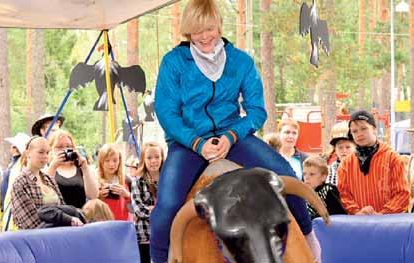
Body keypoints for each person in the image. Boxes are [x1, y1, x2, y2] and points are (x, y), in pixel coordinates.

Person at [152, 1, 322, 262]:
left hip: (234, 137)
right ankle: (159, 259)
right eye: (197, 31)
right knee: (166, 208)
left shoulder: (240, 61)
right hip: (187, 143)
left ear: (219, 25)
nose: (205, 36)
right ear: (188, 32)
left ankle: (310, 242)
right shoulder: (173, 62)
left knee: (289, 178)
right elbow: (166, 113)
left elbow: (257, 111)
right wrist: (197, 144)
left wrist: (231, 136)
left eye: (209, 28)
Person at [338, 110, 409, 215]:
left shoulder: (392, 158)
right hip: (358, 223)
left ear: (374, 129)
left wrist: (382, 214)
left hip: (389, 224)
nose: (359, 134)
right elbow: (343, 194)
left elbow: (402, 193)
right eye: (354, 131)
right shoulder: (346, 164)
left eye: (364, 129)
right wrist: (357, 212)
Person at [11, 136, 82, 229]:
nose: (45, 156)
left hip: (61, 235)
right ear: (28, 153)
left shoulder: (50, 179)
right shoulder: (20, 182)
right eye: (41, 152)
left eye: (47, 152)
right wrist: (65, 220)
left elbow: (64, 209)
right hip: (38, 239)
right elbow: (30, 224)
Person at [47, 130, 99, 208]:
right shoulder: (48, 169)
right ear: (51, 149)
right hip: (58, 217)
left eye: (68, 146)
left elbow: (93, 196)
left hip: (80, 216)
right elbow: (45, 196)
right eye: (60, 147)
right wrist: (53, 166)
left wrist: (85, 168)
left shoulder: (81, 168)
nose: (65, 150)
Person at [131, 142, 164, 263]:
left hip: (164, 234)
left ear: (162, 158)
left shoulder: (167, 179)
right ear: (143, 159)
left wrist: (153, 209)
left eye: (157, 157)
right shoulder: (138, 180)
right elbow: (139, 210)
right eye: (149, 158)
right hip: (144, 235)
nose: (153, 161)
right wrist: (160, 211)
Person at [97, 144, 131, 220]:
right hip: (103, 225)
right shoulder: (95, 181)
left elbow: (133, 209)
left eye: (115, 160)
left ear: (119, 161)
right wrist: (99, 196)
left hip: (122, 226)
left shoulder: (126, 180)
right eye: (107, 160)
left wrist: (127, 195)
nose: (111, 164)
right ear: (101, 162)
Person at [1, 133, 30, 212]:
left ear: (16, 148)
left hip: (13, 208)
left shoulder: (20, 166)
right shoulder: (13, 164)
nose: (11, 147)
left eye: (13, 145)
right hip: (7, 206)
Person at [326, 121, 355, 186]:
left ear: (355, 148)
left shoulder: (363, 168)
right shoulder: (328, 170)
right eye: (340, 147)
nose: (344, 150)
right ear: (335, 149)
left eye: (348, 147)